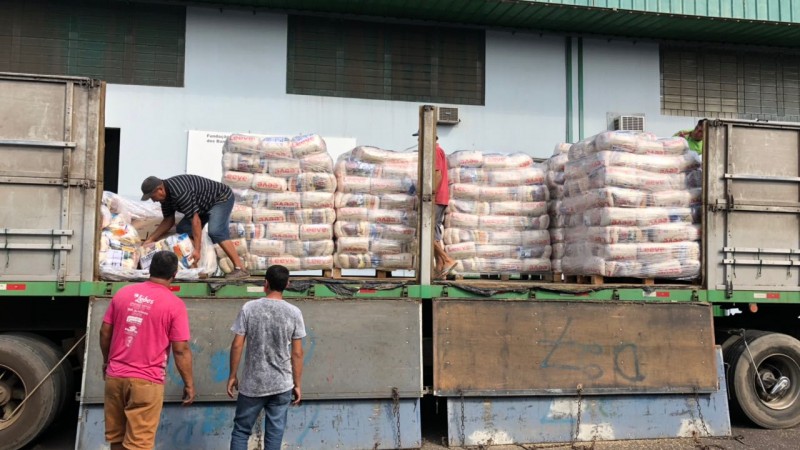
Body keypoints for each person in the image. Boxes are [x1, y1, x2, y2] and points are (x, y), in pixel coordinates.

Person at [99, 251, 195, 450]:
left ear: (149, 269)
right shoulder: (174, 305)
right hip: (147, 382)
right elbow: (180, 350)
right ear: (174, 274)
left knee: (117, 439)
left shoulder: (123, 293)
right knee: (139, 444)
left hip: (115, 378)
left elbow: (105, 332)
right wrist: (189, 384)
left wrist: (107, 361)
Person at [227, 265, 306, 450]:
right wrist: (297, 384)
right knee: (274, 434)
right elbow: (297, 353)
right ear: (287, 284)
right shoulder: (294, 312)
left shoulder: (249, 308)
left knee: (241, 431)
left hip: (252, 384)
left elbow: (237, 344)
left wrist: (232, 375)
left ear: (265, 283)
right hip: (282, 384)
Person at [141, 174, 249, 279]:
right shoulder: (165, 198)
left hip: (220, 198)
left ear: (160, 189)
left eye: (152, 197)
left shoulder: (180, 192)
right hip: (202, 205)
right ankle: (195, 270)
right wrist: (150, 239)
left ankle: (240, 268)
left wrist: (197, 249)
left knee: (216, 231)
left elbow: (195, 221)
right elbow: (169, 220)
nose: (153, 200)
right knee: (183, 230)